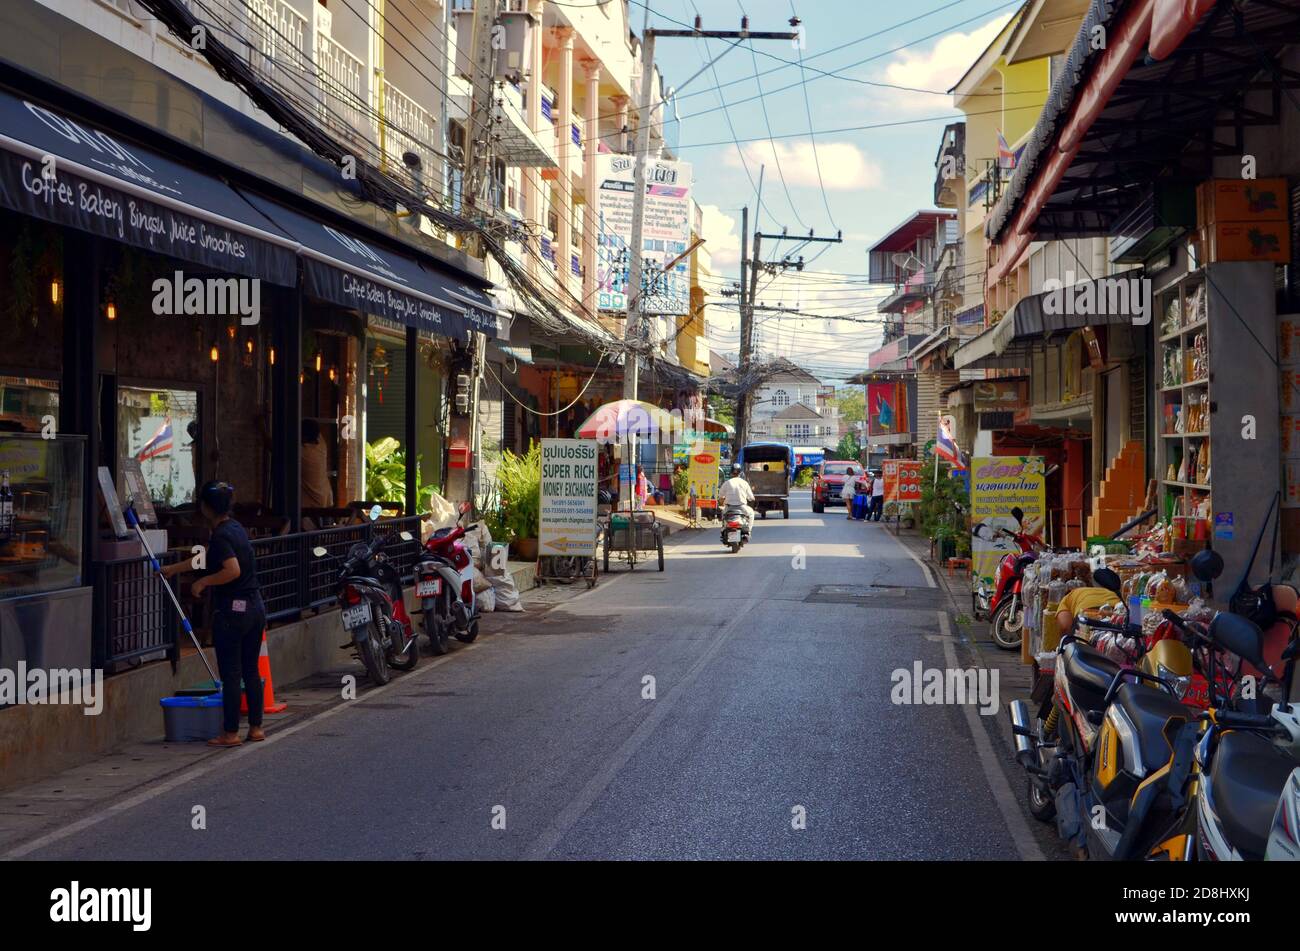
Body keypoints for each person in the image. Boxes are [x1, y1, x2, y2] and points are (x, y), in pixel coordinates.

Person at [162, 481, 266, 748]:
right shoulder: (235, 529)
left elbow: (231, 570)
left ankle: (230, 733)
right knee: (250, 670)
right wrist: (176, 569)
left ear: (206, 508)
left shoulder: (221, 535)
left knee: (231, 674)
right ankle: (255, 728)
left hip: (233, 612)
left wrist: (203, 582)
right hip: (254, 607)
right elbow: (210, 556)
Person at [1056, 586, 1122, 636]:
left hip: (1088, 613)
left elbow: (1065, 626)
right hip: (1116, 611)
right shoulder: (1107, 591)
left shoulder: (1067, 597)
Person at [301, 419, 333, 509]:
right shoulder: (321, 446)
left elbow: (276, 449)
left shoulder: (302, 452)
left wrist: (263, 431)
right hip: (327, 499)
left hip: (314, 506)